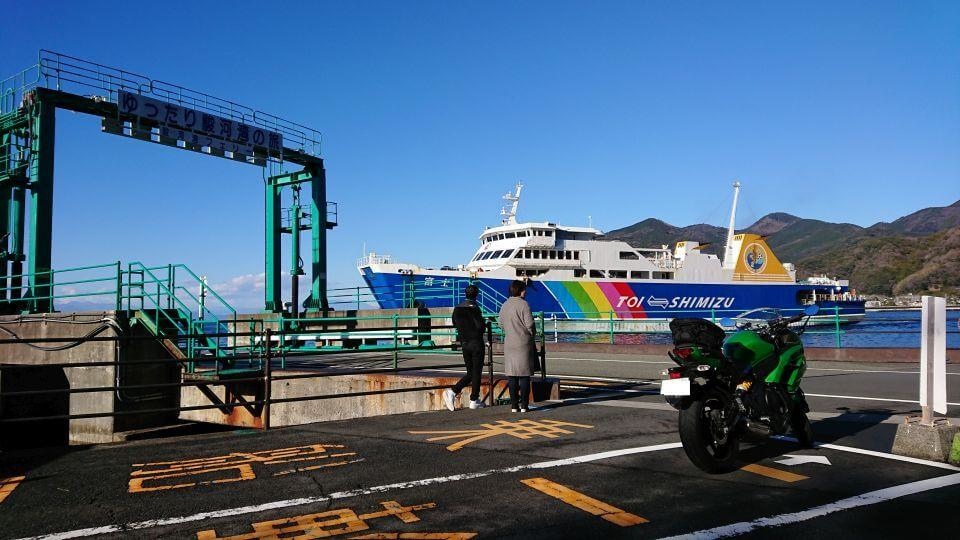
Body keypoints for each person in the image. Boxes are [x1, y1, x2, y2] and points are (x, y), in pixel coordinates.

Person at [443, 285, 487, 411]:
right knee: (476, 372)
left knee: (470, 372)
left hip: (464, 343)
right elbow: (479, 326)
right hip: (476, 343)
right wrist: (484, 324)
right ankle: (472, 399)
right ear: (476, 295)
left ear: (465, 293)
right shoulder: (474, 308)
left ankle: (455, 392)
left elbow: (454, 323)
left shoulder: (457, 308)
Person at [499, 280, 537, 412]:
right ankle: (524, 405)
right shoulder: (524, 305)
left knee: (512, 376)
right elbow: (530, 324)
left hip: (509, 343)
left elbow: (500, 324)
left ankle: (514, 405)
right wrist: (531, 334)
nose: (526, 292)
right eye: (524, 289)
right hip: (523, 343)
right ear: (520, 290)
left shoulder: (504, 305)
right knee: (524, 375)